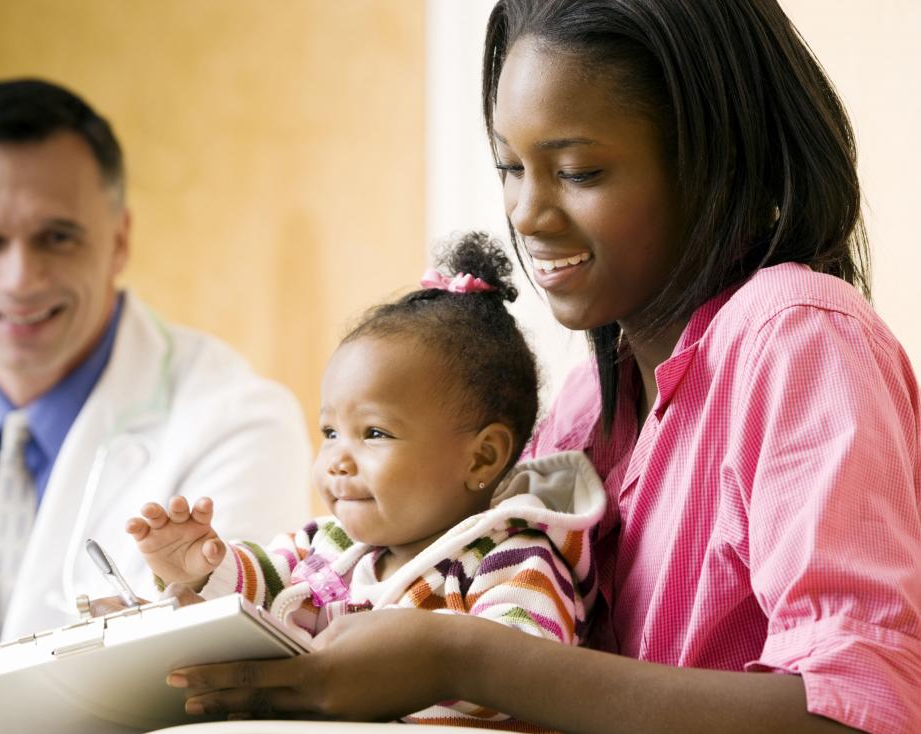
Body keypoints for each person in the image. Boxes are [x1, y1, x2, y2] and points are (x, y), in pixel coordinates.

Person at [160, 2, 921, 732]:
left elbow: (859, 710)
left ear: (714, 160)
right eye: (510, 167)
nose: (525, 213)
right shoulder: (589, 404)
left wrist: (465, 660)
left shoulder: (801, 342)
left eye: (579, 171)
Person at [0, 78, 311, 734]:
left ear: (119, 240)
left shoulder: (240, 424)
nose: (20, 279)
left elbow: (193, 704)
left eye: (57, 237)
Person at [129, 233, 606, 729]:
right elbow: (262, 586)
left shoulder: (511, 559)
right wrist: (202, 569)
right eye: (330, 432)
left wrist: (422, 657)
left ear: (482, 458)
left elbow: (522, 675)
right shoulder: (327, 545)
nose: (337, 458)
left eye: (374, 433)